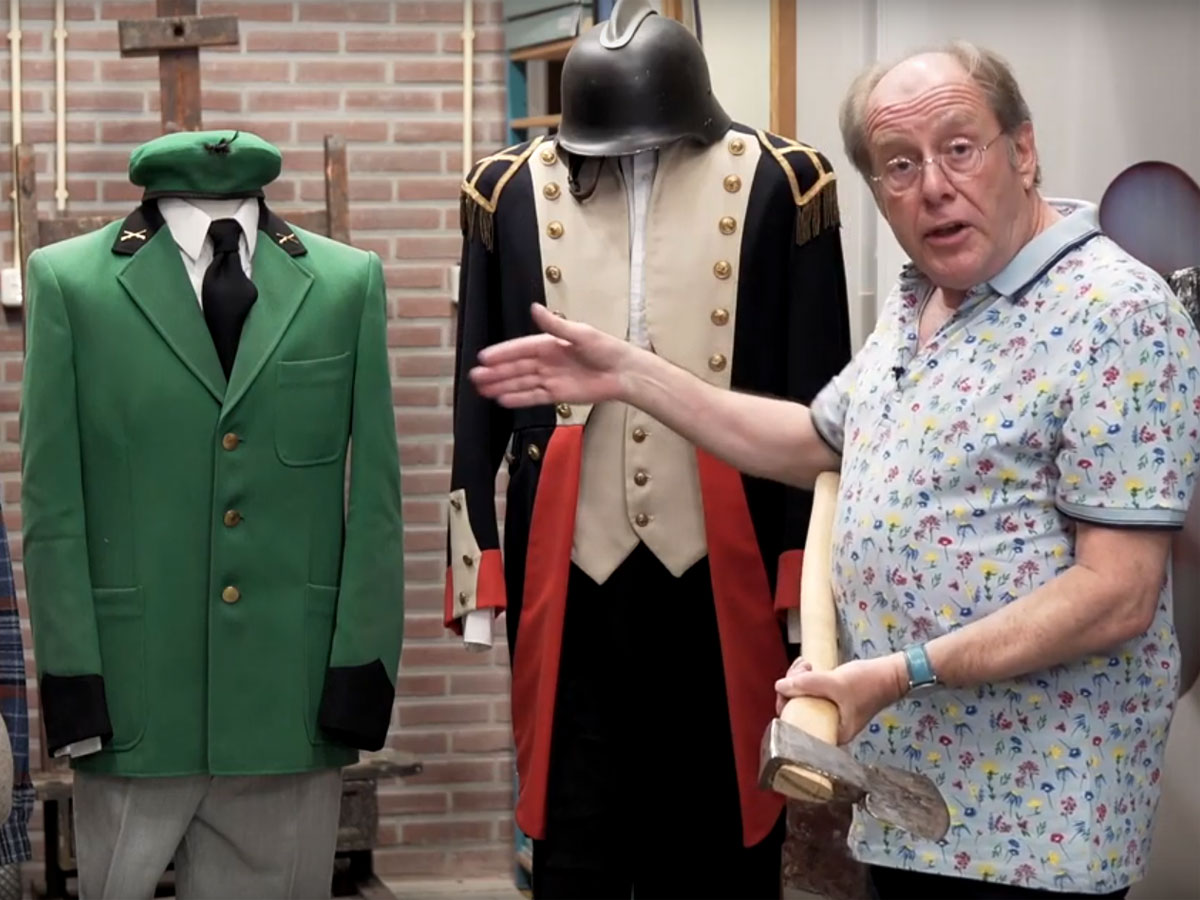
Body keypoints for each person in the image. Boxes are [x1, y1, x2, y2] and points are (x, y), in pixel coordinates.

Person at [468, 41, 1200, 900]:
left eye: (960, 148)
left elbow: (1117, 595)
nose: (933, 185)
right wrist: (632, 375)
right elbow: (814, 440)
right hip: (910, 796)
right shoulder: (924, 304)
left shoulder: (1115, 313)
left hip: (1030, 822)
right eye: (900, 165)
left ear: (1024, 150)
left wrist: (895, 672)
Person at [447, 1, 851, 896]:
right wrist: (479, 569)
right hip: (567, 555)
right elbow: (480, 386)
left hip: (729, 549)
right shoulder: (503, 188)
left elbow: (817, 395)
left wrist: (805, 583)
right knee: (574, 819)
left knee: (724, 818)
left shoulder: (787, 181)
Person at [21, 130, 406, 898]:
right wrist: (72, 682)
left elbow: (376, 504)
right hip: (130, 699)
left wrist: (361, 672)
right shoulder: (71, 283)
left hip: (289, 702)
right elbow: (52, 507)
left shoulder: (345, 283)